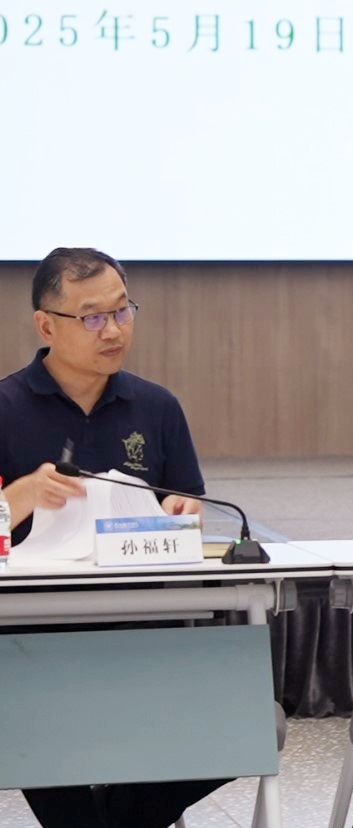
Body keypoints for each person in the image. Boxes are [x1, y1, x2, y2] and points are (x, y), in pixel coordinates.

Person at [0, 247, 228, 828]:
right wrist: (19, 496)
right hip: (31, 649)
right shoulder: (4, 407)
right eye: (93, 317)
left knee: (246, 722)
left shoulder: (156, 407)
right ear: (46, 326)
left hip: (146, 641)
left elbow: (190, 507)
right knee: (35, 732)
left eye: (123, 311)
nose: (114, 330)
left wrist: (184, 513)